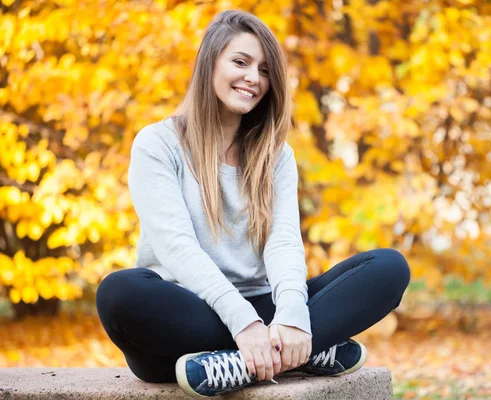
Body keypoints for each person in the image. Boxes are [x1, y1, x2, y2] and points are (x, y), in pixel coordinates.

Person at [95, 9, 410, 398]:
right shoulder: (158, 145)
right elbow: (175, 246)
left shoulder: (276, 156)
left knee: (388, 268)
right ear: (210, 63)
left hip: (264, 310)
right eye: (241, 62)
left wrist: (292, 315)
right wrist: (245, 326)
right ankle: (298, 352)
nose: (253, 78)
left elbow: (283, 242)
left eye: (264, 71)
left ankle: (243, 362)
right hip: (184, 314)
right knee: (119, 292)